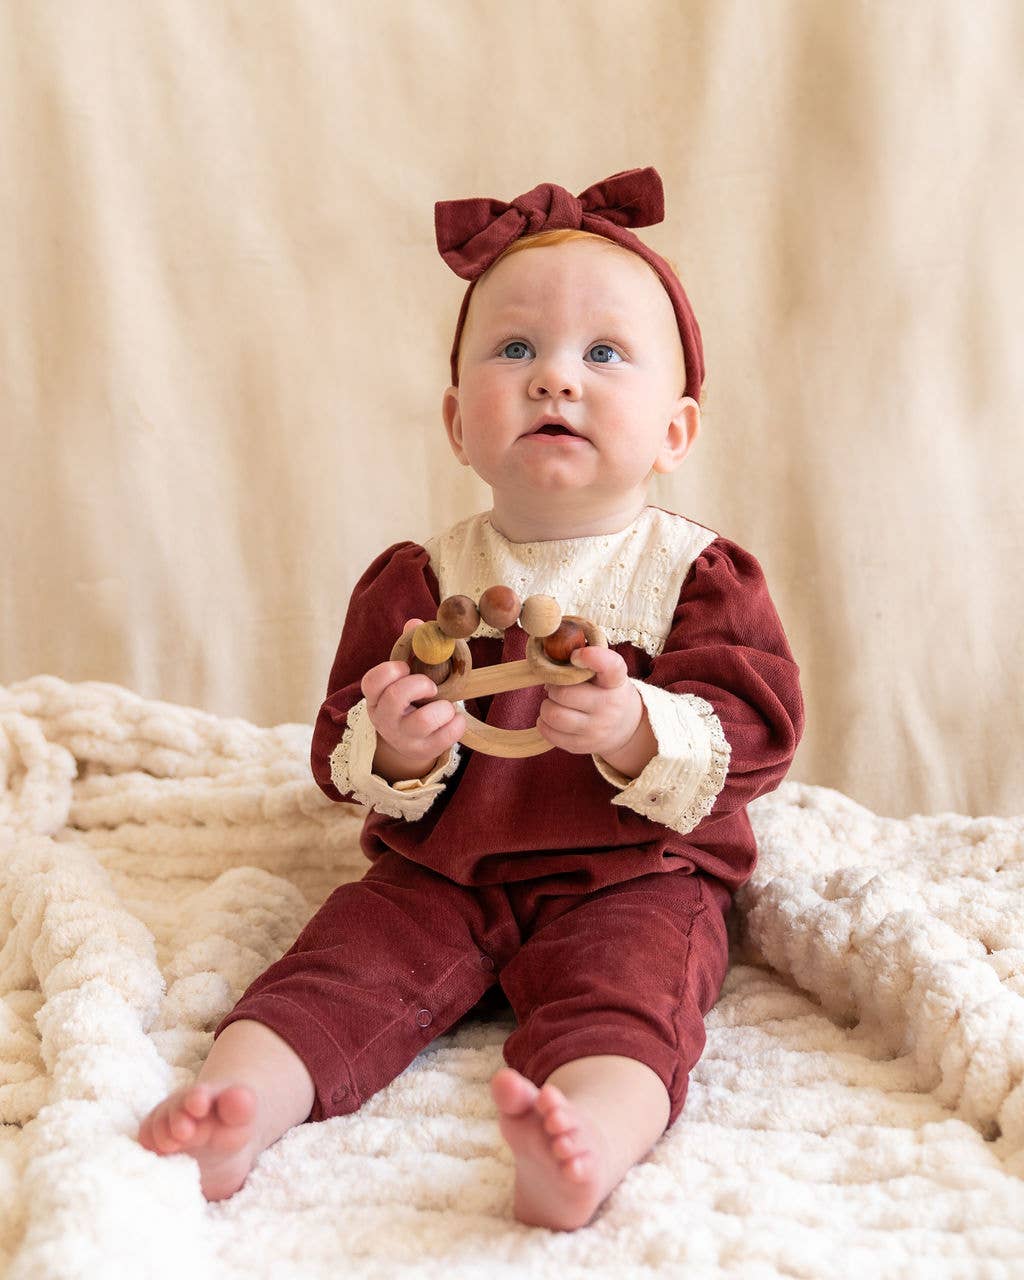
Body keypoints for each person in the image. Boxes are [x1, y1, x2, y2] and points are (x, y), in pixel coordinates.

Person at [136, 167, 804, 1230]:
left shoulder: (697, 574)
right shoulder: (421, 581)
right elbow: (345, 744)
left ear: (676, 432)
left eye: (603, 353)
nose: (555, 379)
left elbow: (756, 729)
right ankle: (239, 1104)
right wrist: (400, 743)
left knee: (630, 1005)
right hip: (441, 873)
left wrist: (635, 726)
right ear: (457, 421)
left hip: (632, 874)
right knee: (331, 967)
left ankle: (579, 1140)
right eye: (514, 350)